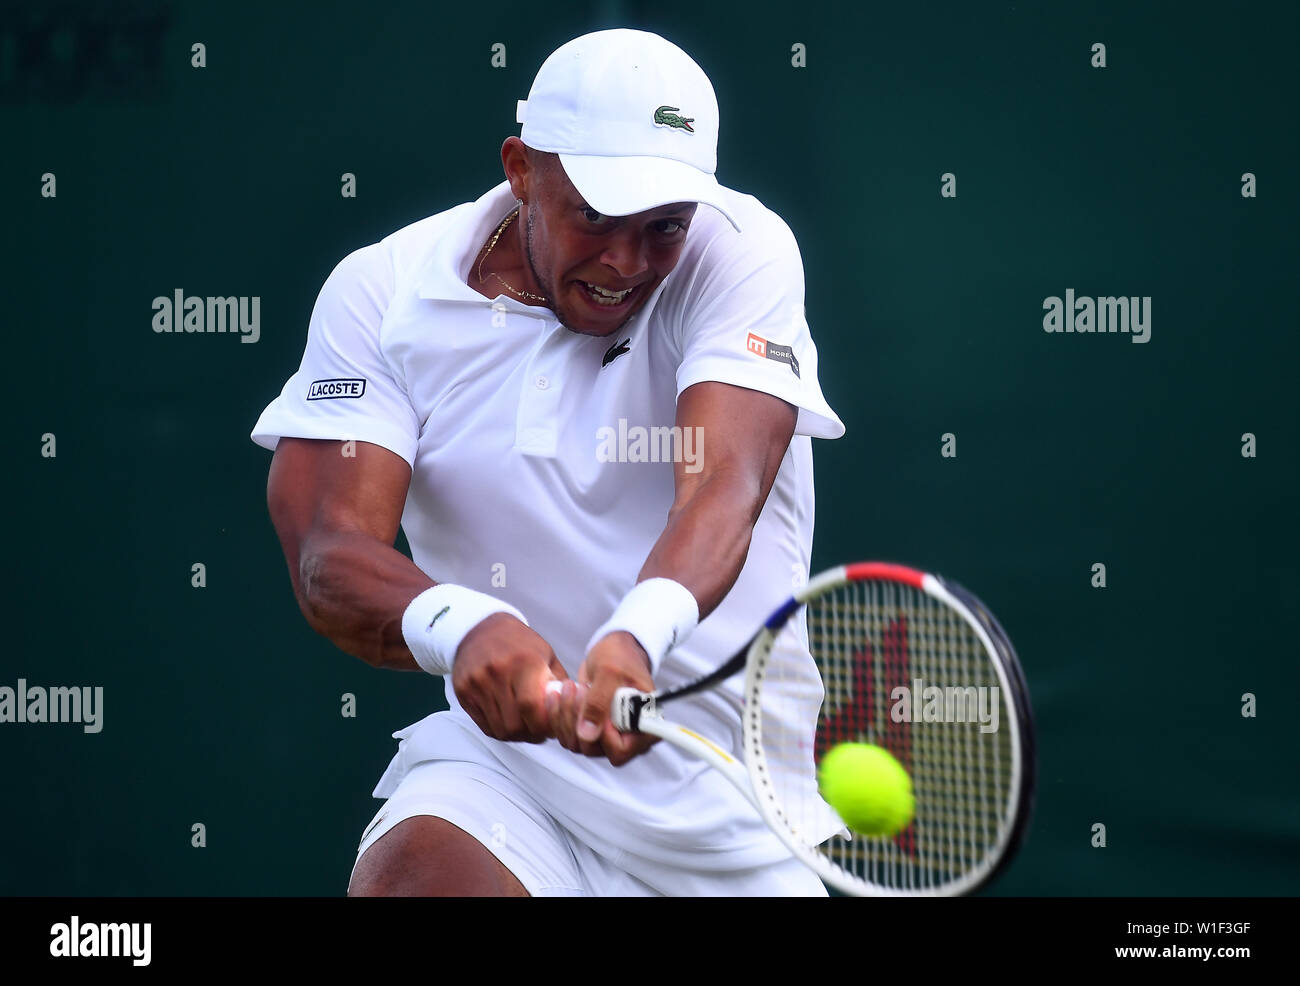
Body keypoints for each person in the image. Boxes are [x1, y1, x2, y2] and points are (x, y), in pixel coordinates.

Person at [251, 27, 844, 896]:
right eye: (596, 217)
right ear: (522, 168)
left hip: (728, 814)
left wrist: (634, 636)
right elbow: (327, 551)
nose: (625, 262)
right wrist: (461, 627)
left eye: (662, 228)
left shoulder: (742, 251)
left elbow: (724, 488)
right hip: (509, 778)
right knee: (417, 880)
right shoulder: (380, 293)